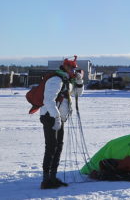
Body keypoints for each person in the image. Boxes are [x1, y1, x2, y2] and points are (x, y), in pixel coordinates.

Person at [40, 56, 84, 189]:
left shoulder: (68, 81)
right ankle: (46, 180)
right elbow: (48, 101)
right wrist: (56, 118)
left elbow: (77, 94)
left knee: (58, 147)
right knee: (51, 147)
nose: (72, 70)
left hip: (60, 117)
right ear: (64, 66)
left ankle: (53, 177)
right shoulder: (56, 80)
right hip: (50, 116)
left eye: (74, 68)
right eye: (70, 67)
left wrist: (79, 81)